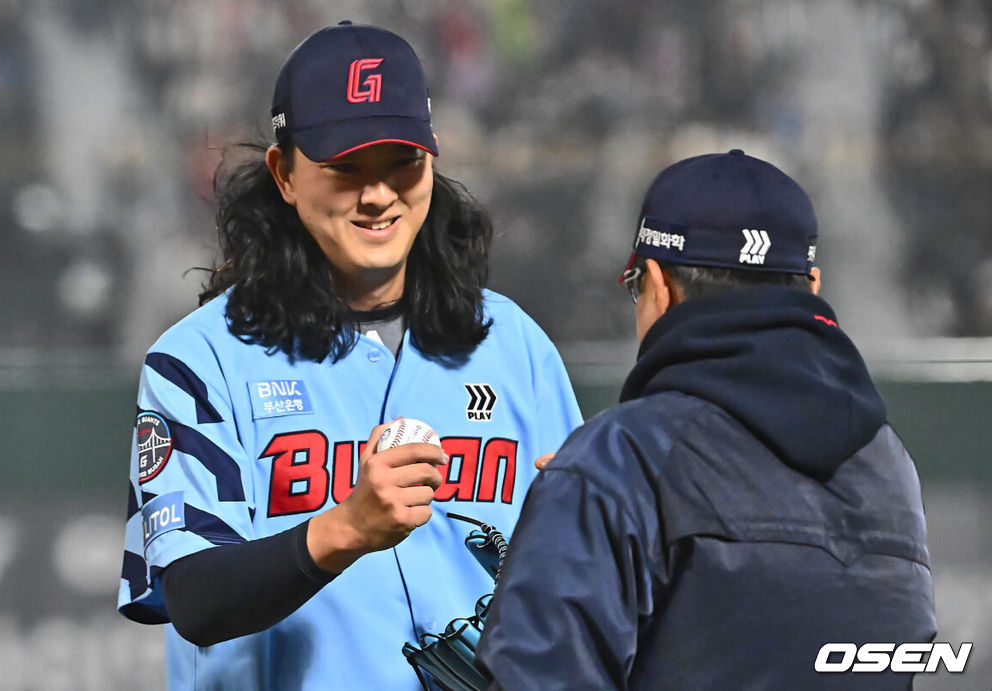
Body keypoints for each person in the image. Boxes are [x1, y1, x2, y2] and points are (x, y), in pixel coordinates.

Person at [116, 22, 582, 690]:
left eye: (402, 163)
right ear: (284, 173)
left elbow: (573, 586)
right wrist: (345, 527)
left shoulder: (514, 345)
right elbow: (196, 596)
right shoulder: (201, 361)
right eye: (346, 167)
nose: (378, 194)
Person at [477, 150, 937, 689]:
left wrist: (584, 489)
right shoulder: (890, 466)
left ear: (657, 284)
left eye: (635, 288)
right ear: (811, 286)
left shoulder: (621, 461)